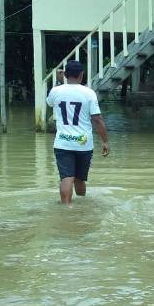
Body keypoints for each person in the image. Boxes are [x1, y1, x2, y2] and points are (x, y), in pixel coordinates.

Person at [46, 60, 110, 204]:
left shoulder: (56, 91)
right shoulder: (89, 93)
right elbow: (97, 119)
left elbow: (50, 102)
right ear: (81, 75)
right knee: (80, 178)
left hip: (63, 143)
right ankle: (82, 205)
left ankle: (66, 208)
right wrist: (105, 141)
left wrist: (58, 82)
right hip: (84, 144)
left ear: (65, 74)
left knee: (67, 177)